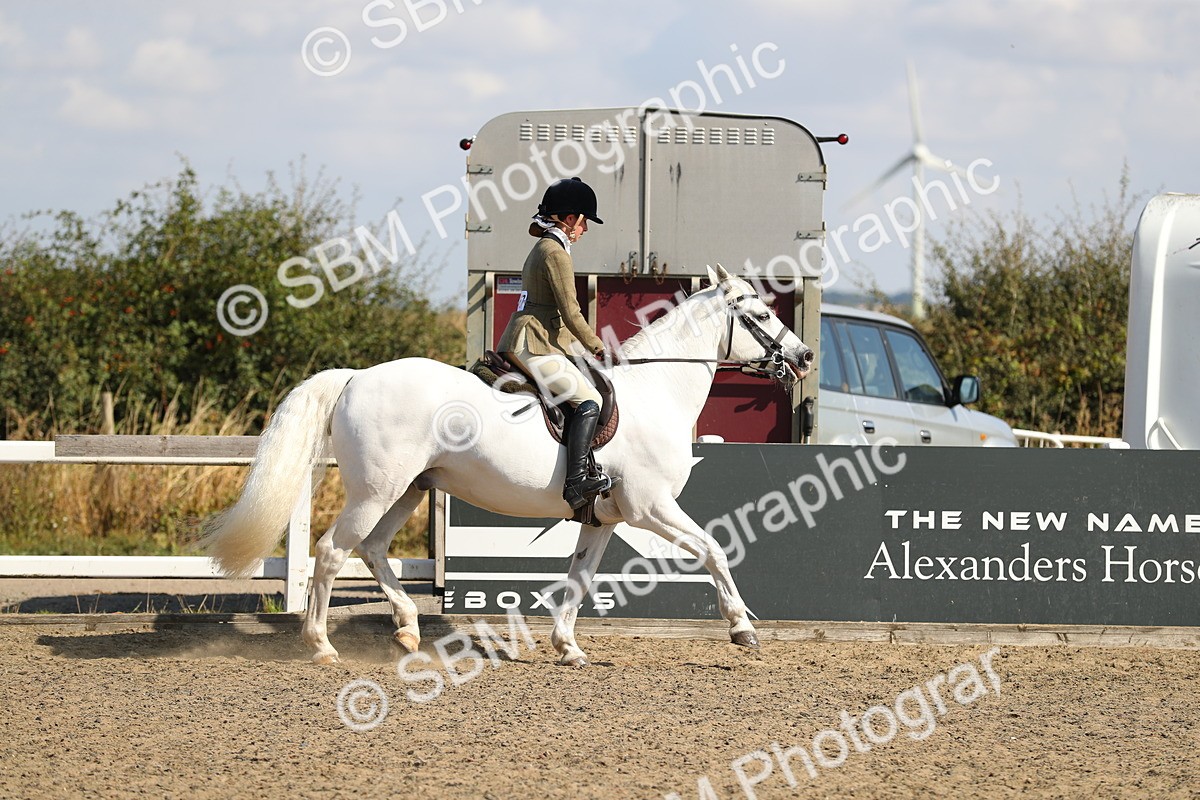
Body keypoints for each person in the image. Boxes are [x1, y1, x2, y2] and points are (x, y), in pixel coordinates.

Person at [496, 177, 619, 510]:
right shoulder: (555, 252)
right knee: (589, 400)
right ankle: (576, 483)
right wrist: (597, 345)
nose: (586, 230)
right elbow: (570, 309)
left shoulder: (549, 248)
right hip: (532, 342)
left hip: (538, 339)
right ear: (569, 219)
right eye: (584, 221)